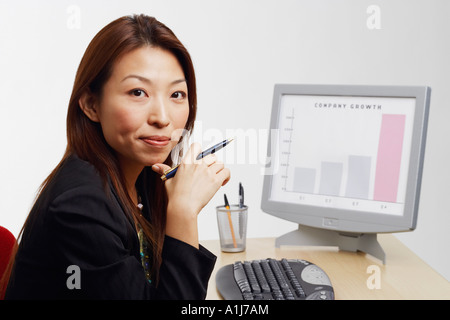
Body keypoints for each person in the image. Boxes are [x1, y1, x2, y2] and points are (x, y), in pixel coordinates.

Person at [1, 14, 230, 299]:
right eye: (138, 92)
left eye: (177, 94)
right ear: (91, 105)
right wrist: (183, 211)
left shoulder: (143, 178)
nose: (162, 117)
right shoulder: (80, 206)